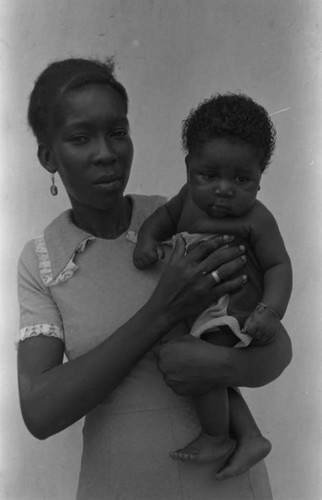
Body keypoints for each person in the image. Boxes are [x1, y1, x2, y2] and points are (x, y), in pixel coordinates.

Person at [17, 57, 292, 500]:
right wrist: (162, 310)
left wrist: (221, 365)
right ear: (48, 155)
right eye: (80, 137)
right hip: (123, 484)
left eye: (118, 132)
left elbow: (276, 347)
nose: (106, 152)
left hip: (226, 484)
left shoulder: (188, 221)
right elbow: (40, 413)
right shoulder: (44, 260)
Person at [133, 93, 292, 472]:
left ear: (260, 178)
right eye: (210, 175)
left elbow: (278, 265)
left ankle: (218, 438)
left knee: (203, 364)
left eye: (241, 179)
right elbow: (161, 219)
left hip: (233, 308)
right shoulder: (186, 200)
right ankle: (250, 436)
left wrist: (270, 311)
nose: (223, 189)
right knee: (202, 366)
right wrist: (146, 240)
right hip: (194, 307)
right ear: (189, 167)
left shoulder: (257, 218)